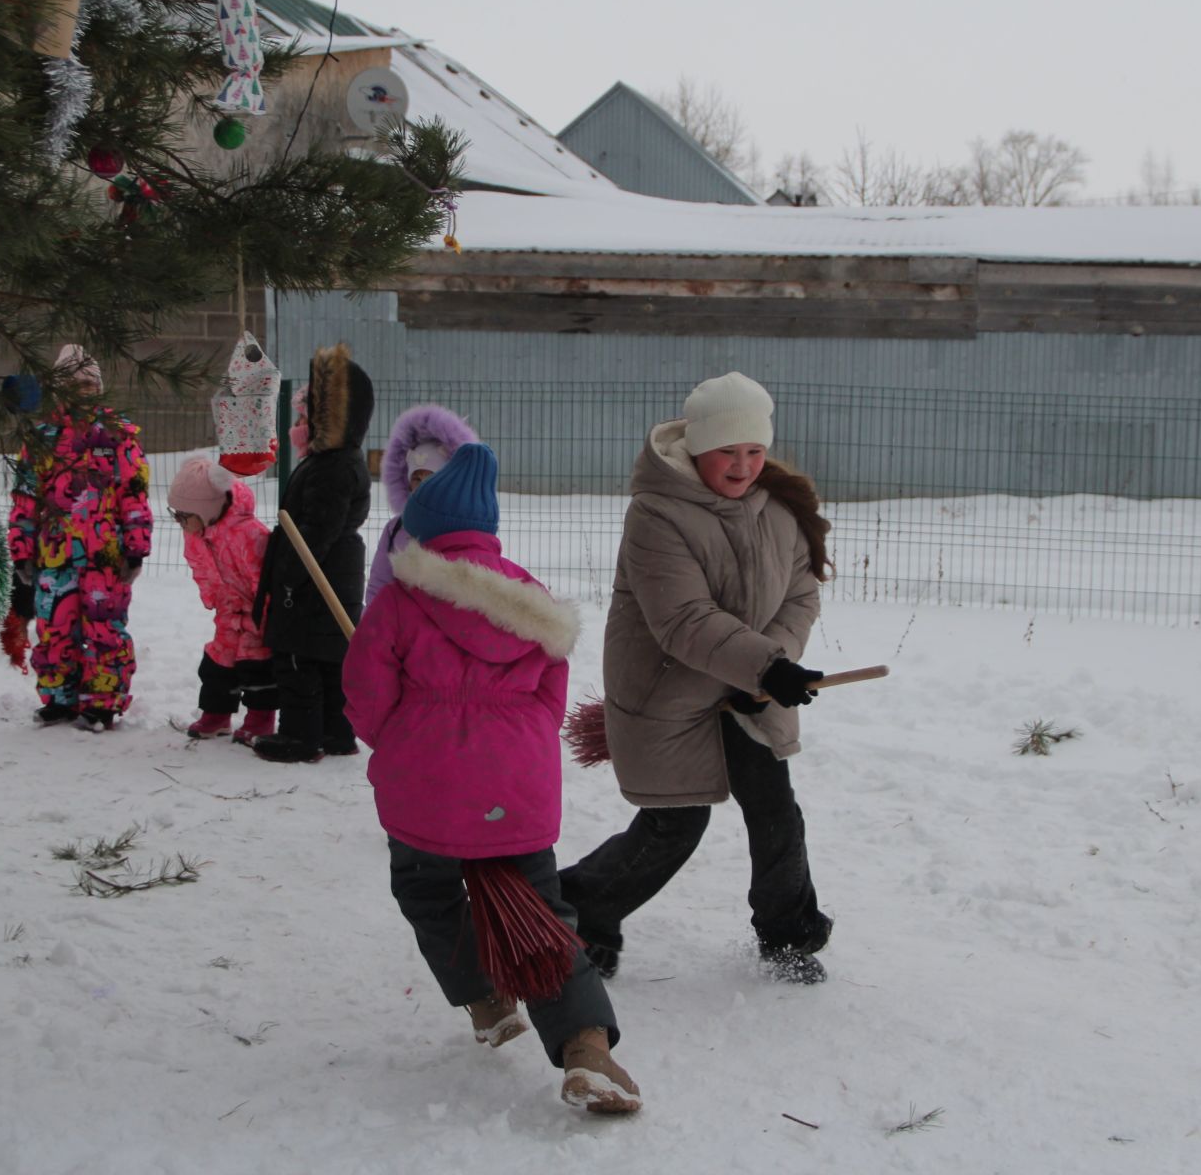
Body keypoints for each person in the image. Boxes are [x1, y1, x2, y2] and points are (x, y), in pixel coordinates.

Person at [344, 442, 640, 1114]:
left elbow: (364, 693)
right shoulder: (533, 601)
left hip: (425, 792)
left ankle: (486, 1000)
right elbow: (551, 694)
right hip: (519, 790)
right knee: (541, 914)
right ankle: (588, 1049)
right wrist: (520, 744)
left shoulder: (400, 600)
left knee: (428, 892)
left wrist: (395, 740)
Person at [559, 372, 835, 984]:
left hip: (748, 690)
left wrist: (773, 669)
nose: (742, 467)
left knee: (775, 812)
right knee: (675, 824)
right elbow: (681, 619)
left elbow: (800, 597)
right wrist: (766, 664)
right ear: (696, 449)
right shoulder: (657, 513)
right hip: (670, 690)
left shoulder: (779, 512)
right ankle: (579, 906)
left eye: (755, 451)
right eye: (727, 453)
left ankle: (788, 934)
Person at [7, 344, 152, 732]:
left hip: (106, 553)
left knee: (105, 627)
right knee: (54, 626)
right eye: (74, 384)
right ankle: (60, 697)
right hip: (54, 553)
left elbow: (133, 492)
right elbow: (25, 497)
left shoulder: (118, 434)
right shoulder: (42, 438)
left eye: (90, 384)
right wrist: (22, 549)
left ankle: (103, 701)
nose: (83, 391)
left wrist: (135, 548)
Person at [248, 342, 372, 763]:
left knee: (299, 661)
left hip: (314, 583)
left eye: (307, 414)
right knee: (328, 662)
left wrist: (287, 579)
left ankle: (301, 736)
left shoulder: (334, 466)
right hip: (331, 576)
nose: (300, 422)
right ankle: (336, 734)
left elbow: (316, 530)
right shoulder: (331, 460)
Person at [170, 456, 277, 745]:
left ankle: (260, 717)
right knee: (217, 663)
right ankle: (216, 714)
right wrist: (215, 599)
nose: (180, 522)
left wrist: (262, 614)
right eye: (175, 514)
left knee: (257, 665)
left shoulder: (249, 534)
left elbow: (263, 578)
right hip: (228, 610)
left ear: (208, 510)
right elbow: (201, 568)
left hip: (257, 613)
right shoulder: (199, 535)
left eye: (184, 515)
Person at [364, 404, 478, 609]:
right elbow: (379, 584)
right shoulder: (396, 529)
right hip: (399, 630)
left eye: (431, 478)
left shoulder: (459, 530)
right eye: (417, 478)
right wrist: (374, 625)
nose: (423, 486)